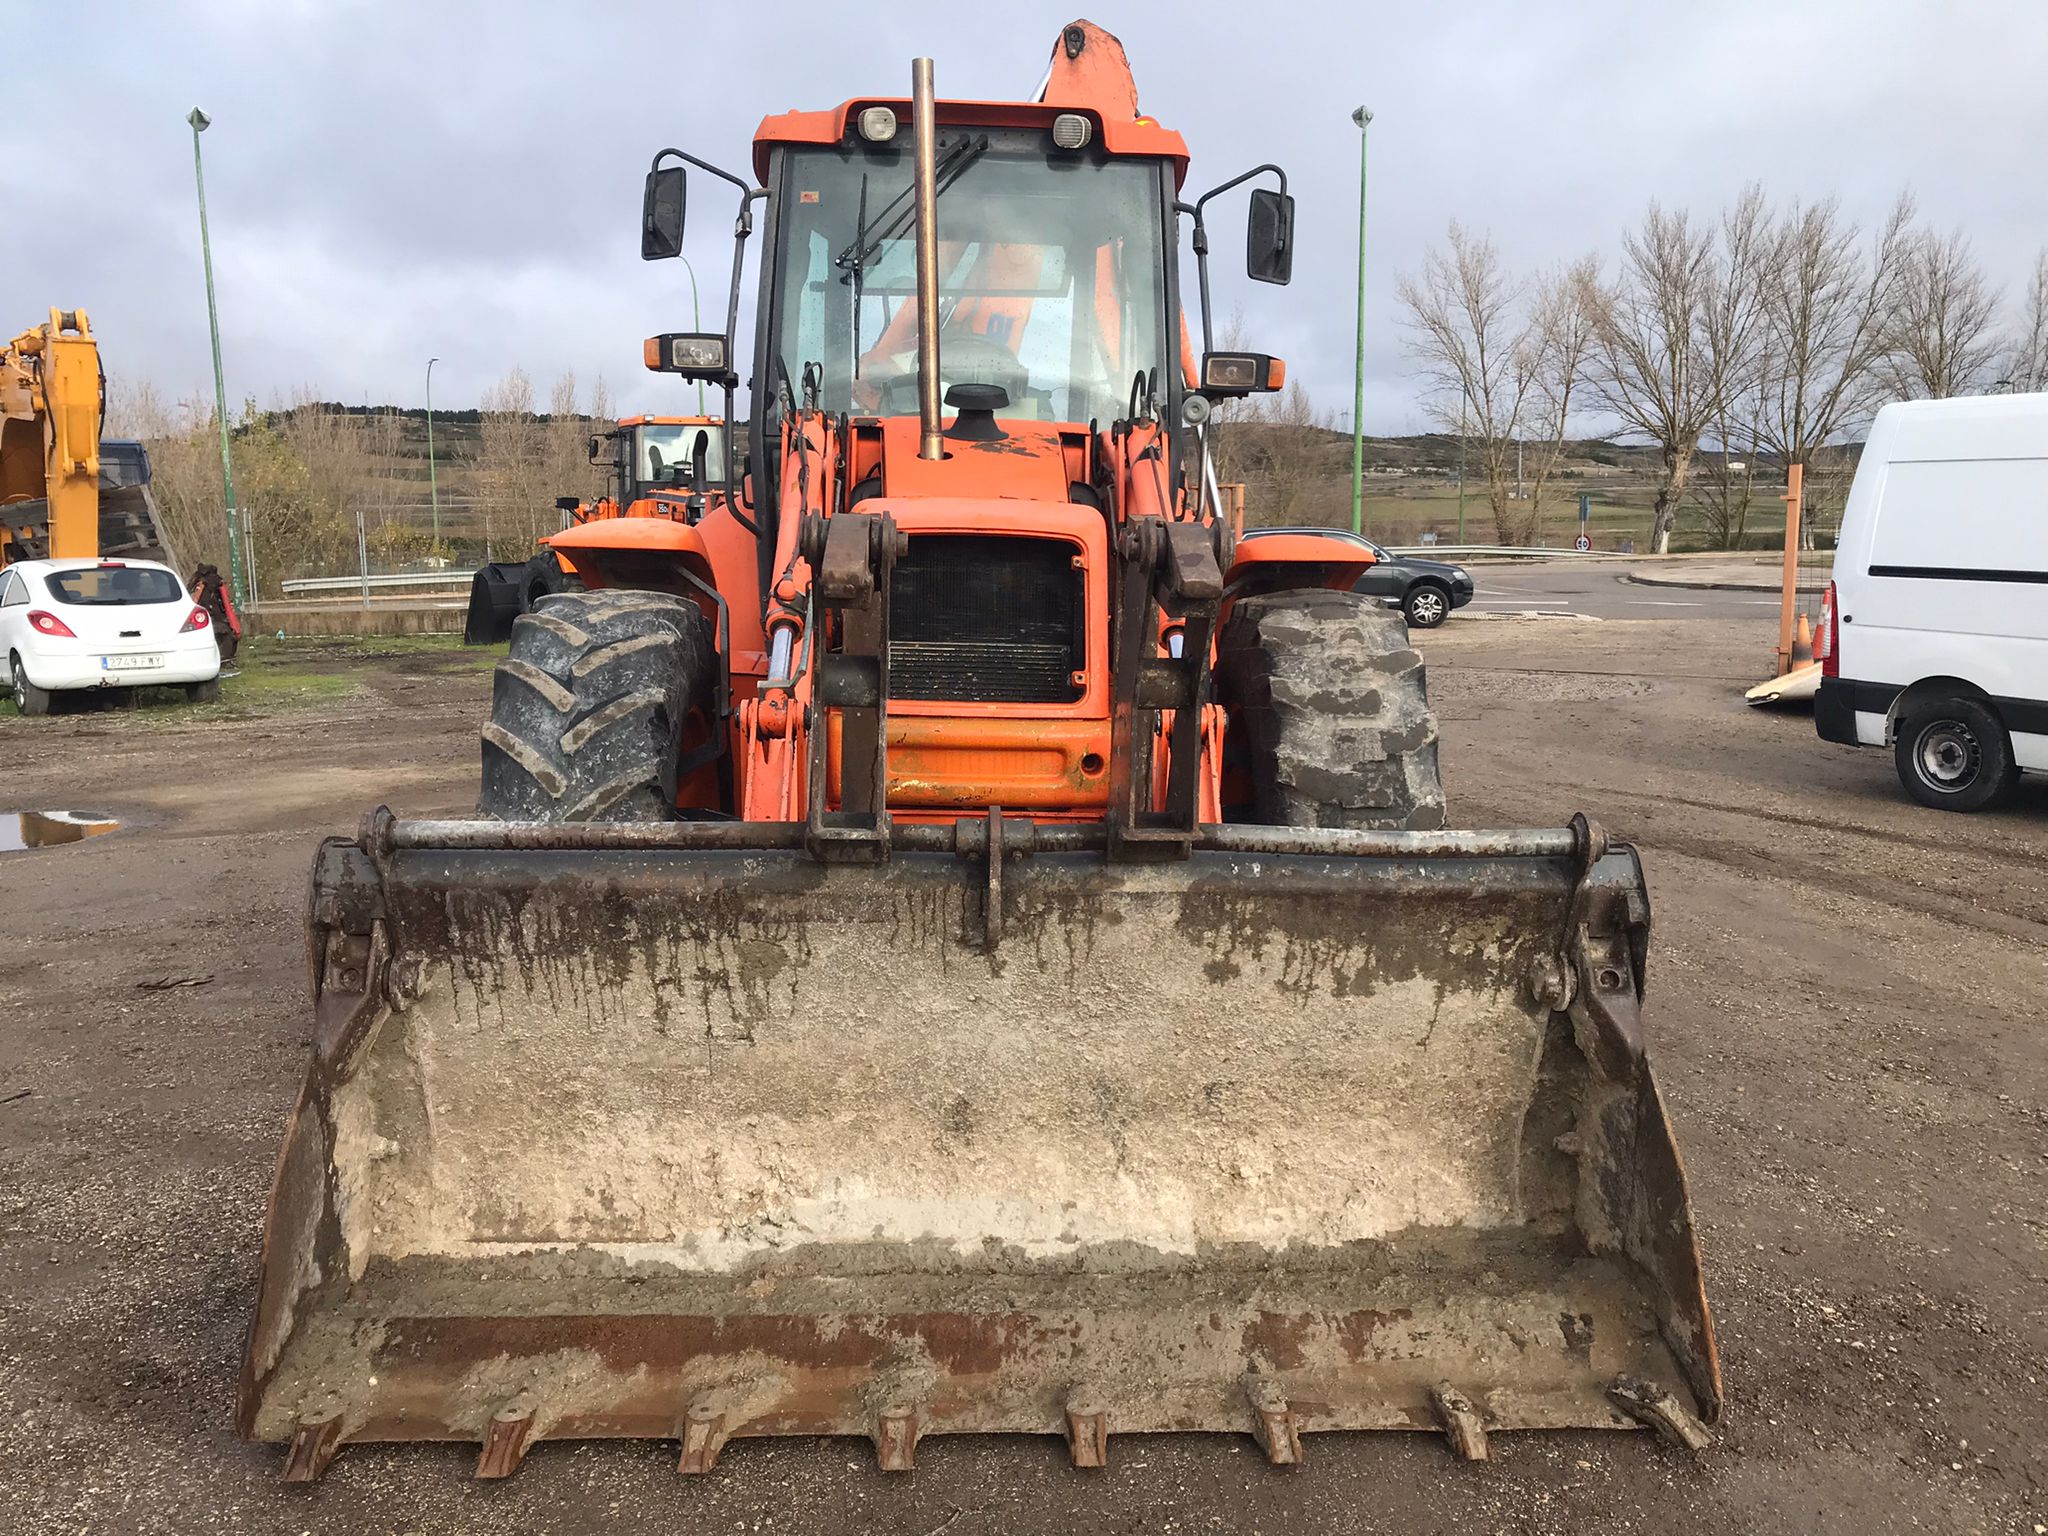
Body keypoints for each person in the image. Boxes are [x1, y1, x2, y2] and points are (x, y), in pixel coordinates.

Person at [190, 563, 241, 663]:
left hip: (205, 621)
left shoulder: (198, 585)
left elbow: (194, 602)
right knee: (228, 635)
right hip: (217, 621)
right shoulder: (217, 584)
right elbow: (227, 606)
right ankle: (225, 658)